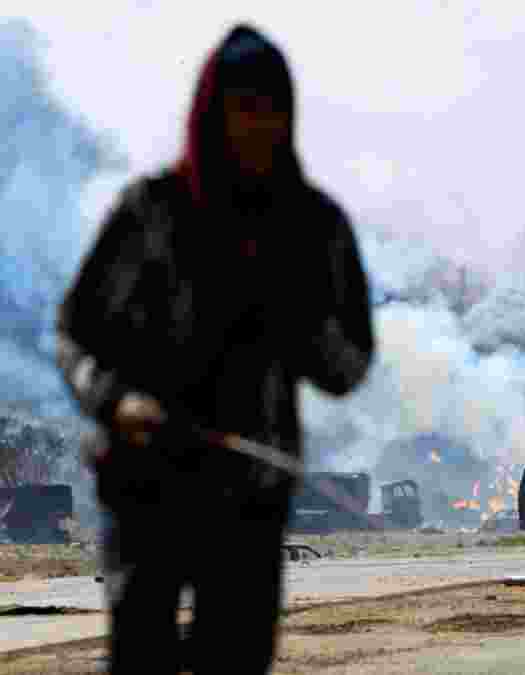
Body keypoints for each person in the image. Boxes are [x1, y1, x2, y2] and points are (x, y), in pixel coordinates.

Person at [55, 24, 375, 674]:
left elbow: (350, 364)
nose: (259, 124)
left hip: (250, 496)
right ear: (213, 111)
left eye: (273, 107)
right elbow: (75, 333)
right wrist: (117, 400)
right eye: (244, 106)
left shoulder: (313, 227)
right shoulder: (152, 214)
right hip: (147, 485)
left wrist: (301, 318)